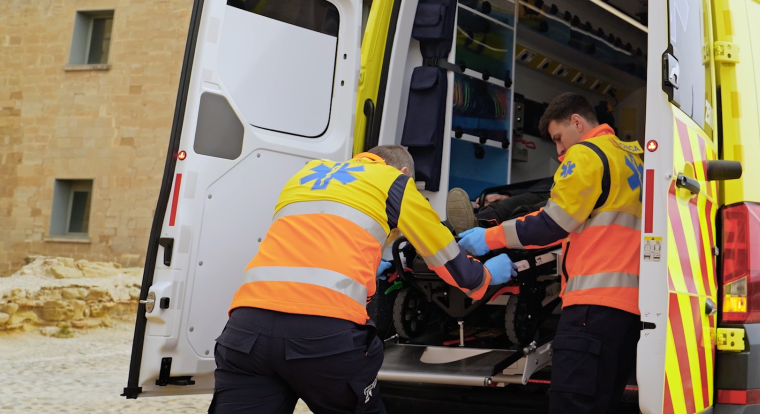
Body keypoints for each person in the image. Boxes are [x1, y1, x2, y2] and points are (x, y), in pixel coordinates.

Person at [210, 145, 516, 414]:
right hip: (322, 335)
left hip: (246, 330)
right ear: (404, 173)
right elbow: (444, 256)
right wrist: (484, 276)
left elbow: (319, 237)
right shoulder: (395, 182)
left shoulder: (307, 174)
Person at [458, 93, 644, 414]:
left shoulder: (587, 153)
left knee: (571, 405)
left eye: (558, 138)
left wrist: (489, 238)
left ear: (577, 122)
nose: (559, 151)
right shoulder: (635, 160)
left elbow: (552, 224)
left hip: (590, 308)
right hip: (630, 313)